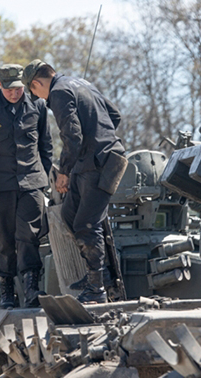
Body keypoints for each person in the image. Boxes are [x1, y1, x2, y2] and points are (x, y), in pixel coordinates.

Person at [22, 59, 126, 304]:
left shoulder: (58, 93)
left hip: (100, 163)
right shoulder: (82, 83)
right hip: (89, 161)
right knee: (70, 216)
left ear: (37, 83)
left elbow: (72, 135)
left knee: (87, 224)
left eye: (34, 92)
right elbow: (115, 115)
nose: (38, 98)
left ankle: (97, 288)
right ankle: (99, 276)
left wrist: (64, 172)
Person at [0, 64, 52, 309]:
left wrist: (43, 179)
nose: (14, 94)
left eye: (17, 89)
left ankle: (31, 288)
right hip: (2, 185)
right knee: (5, 240)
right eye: (8, 90)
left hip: (32, 183)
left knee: (29, 236)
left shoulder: (38, 107)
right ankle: (7, 292)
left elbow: (45, 147)